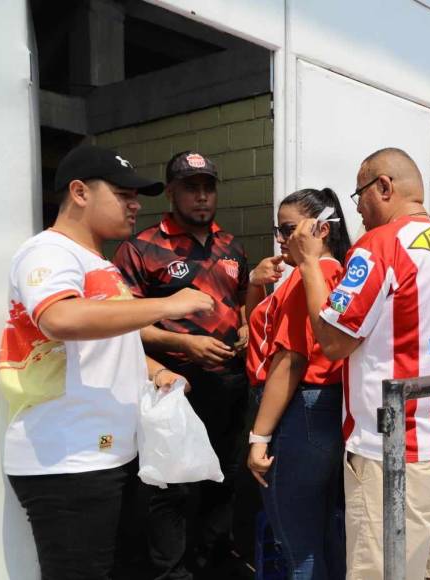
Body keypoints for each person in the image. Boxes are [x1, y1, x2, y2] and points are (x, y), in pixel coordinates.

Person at [0, 144, 214, 578]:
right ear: (79, 192)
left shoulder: (98, 263)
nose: (135, 205)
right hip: (68, 462)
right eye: (122, 194)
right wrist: (166, 305)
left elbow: (108, 342)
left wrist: (156, 371)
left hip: (108, 458)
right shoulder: (48, 253)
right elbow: (59, 318)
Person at [285, 148, 430, 579]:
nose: (356, 208)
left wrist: (309, 264)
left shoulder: (379, 246)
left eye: (359, 195)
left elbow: (333, 342)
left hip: (392, 455)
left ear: (384, 187)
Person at [113, 151, 250, 578]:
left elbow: (239, 306)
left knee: (222, 475)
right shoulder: (141, 248)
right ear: (171, 192)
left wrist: (244, 331)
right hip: (173, 383)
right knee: (170, 486)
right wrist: (184, 346)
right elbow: (121, 325)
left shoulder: (231, 245)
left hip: (228, 381)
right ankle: (171, 571)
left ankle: (214, 559)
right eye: (191, 188)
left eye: (208, 187)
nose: (202, 197)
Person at [243, 188, 352, 578]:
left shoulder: (312, 276)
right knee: (322, 532)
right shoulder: (336, 272)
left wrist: (259, 437)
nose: (281, 238)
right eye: (279, 228)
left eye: (288, 229)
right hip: (320, 410)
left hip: (297, 409)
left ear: (320, 228)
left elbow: (290, 360)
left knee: (297, 542)